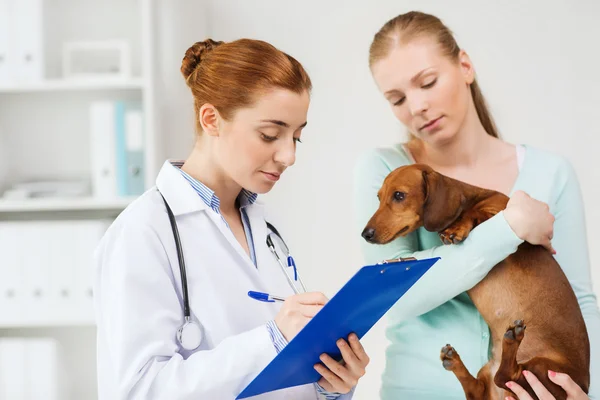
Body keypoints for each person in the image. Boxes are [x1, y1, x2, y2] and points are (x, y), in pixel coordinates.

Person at [93, 38, 369, 399]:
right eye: (270, 135)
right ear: (211, 119)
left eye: (296, 138)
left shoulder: (265, 229)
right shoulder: (143, 232)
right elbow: (140, 390)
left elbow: (279, 377)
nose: (288, 156)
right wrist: (272, 338)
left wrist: (330, 384)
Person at [353, 11, 599, 400]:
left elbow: (583, 302)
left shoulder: (551, 172)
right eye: (397, 98)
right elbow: (392, 298)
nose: (416, 106)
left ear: (464, 66)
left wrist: (587, 393)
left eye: (428, 82)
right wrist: (509, 227)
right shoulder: (386, 171)